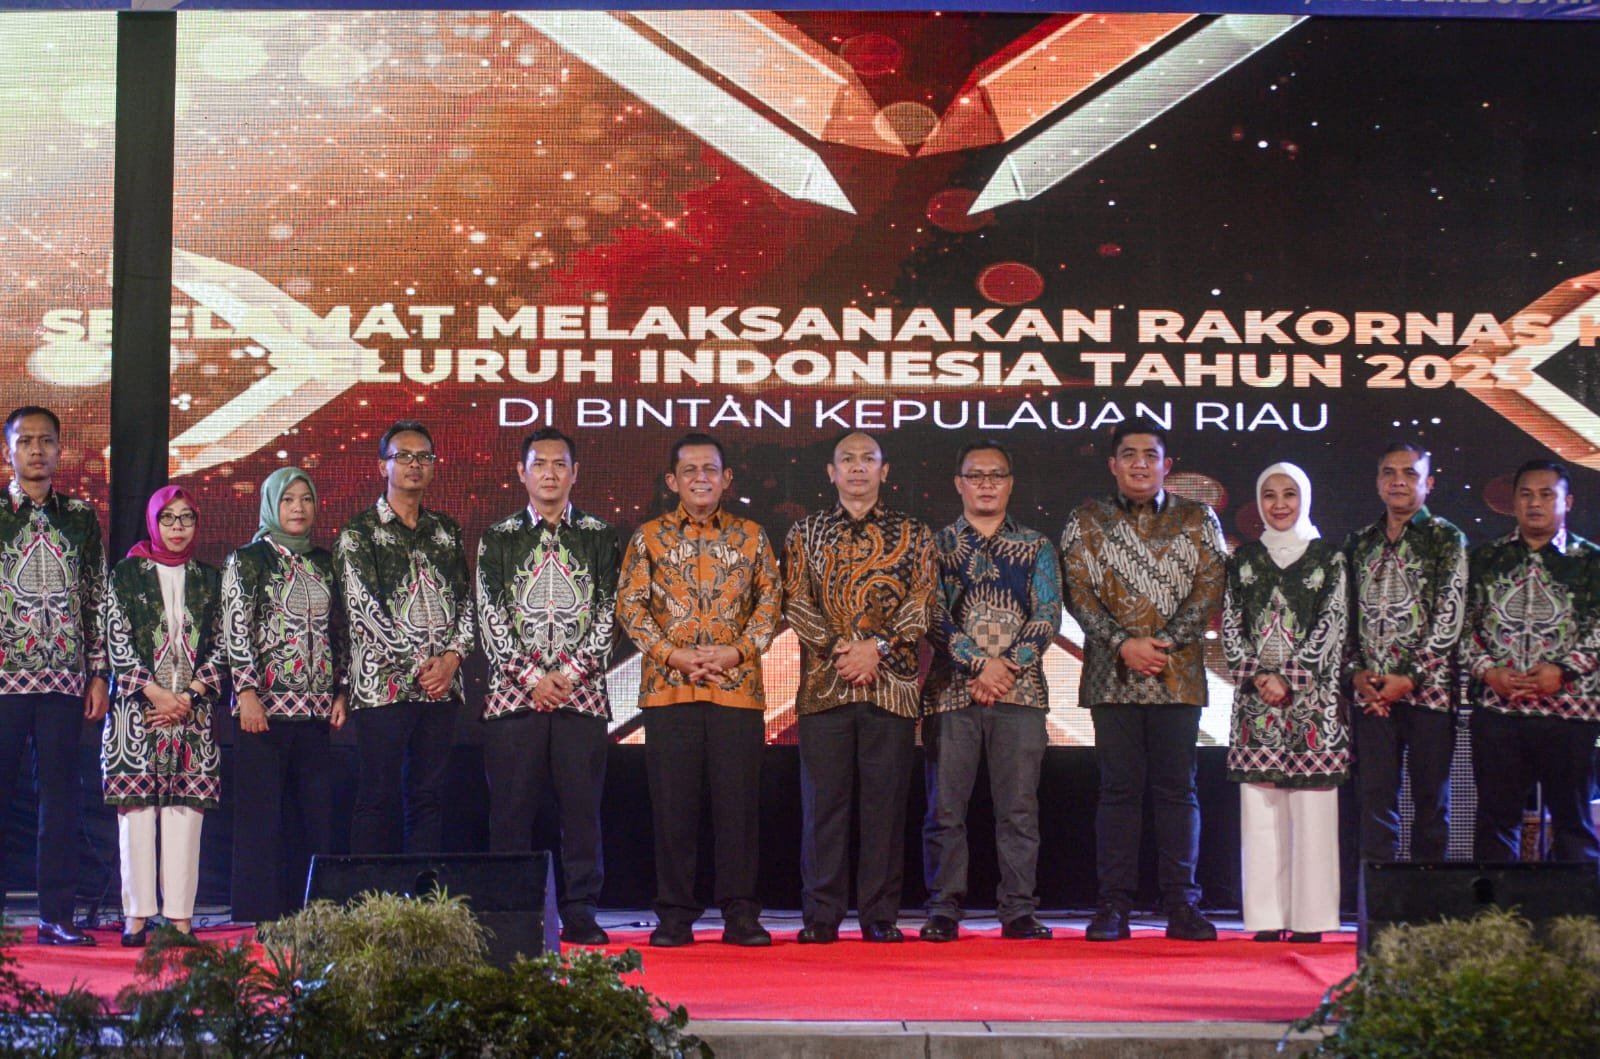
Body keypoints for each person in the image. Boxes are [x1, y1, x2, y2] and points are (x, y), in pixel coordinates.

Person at [1060, 420, 1227, 942]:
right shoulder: (1086, 519)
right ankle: (1114, 906)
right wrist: (1124, 644)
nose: (1138, 463)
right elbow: (1077, 592)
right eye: (1128, 454)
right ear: (1112, 465)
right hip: (1113, 677)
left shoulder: (1198, 518)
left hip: (1178, 678)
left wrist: (1166, 644)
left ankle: (1182, 904)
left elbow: (1210, 588)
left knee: (1178, 791)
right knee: (1118, 792)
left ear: (1165, 465)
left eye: (1149, 455)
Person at [617, 432, 782, 948]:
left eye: (710, 469)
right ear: (672, 481)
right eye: (689, 470)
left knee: (738, 809)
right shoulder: (648, 537)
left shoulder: (753, 537)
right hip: (670, 689)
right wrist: (673, 654)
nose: (701, 478)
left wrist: (735, 652)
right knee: (673, 810)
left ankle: (740, 913)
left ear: (727, 478)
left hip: (737, 690)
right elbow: (630, 607)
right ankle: (674, 915)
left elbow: (770, 605)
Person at [782, 431, 936, 944]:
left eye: (867, 459)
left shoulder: (916, 535)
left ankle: (879, 916)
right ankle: (821, 916)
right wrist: (843, 652)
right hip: (826, 688)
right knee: (823, 808)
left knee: (884, 809)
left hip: (890, 689)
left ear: (884, 471)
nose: (857, 468)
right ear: (831, 472)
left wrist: (880, 648)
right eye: (846, 460)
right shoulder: (804, 534)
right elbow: (797, 605)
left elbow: (921, 604)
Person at [476, 427, 619, 946]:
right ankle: (511, 911)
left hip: (582, 698)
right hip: (514, 699)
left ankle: (580, 909)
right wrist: (535, 678)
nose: (551, 473)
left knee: (581, 811)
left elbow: (610, 614)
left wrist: (570, 676)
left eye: (561, 464)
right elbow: (490, 618)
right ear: (522, 472)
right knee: (511, 811)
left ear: (575, 473)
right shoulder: (499, 537)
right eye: (540, 464)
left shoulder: (601, 535)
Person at [920, 439, 1061, 943]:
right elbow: (931, 617)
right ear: (959, 483)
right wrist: (980, 666)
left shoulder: (1036, 546)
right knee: (945, 811)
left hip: (1020, 695)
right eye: (975, 475)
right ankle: (943, 909)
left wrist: (1006, 668)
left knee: (1019, 810)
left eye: (995, 474)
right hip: (950, 694)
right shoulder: (934, 546)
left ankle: (1019, 910)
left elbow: (1047, 615)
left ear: (1010, 483)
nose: (985, 483)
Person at [1222, 463, 1349, 943]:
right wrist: (1259, 678)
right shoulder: (1244, 560)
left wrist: (1291, 679)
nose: (1279, 505)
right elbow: (1232, 626)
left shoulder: (1328, 557)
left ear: (1306, 499)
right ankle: (1267, 917)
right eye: (1270, 495)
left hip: (1313, 705)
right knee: (1261, 813)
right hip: (1257, 706)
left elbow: (1332, 624)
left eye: (1290, 494)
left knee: (1313, 813)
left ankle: (1312, 919)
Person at [335, 420, 473, 855]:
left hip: (442, 689)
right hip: (382, 687)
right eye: (403, 456)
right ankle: (366, 909)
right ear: (383, 466)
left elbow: (469, 603)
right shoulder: (358, 533)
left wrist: (451, 659)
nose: (415, 465)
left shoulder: (445, 530)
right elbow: (363, 611)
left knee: (429, 798)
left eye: (424, 457)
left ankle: (425, 905)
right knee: (376, 796)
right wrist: (418, 667)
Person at [0, 406, 109, 946]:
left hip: (65, 682)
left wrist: (97, 673)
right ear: (9, 452)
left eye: (46, 441)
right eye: (26, 442)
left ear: (60, 451)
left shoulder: (81, 518)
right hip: (2, 680)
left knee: (60, 802)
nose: (36, 450)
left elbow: (95, 598)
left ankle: (55, 918)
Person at [222, 467, 348, 923]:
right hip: (264, 710)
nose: (298, 508)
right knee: (261, 816)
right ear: (272, 506)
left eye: (305, 499)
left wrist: (341, 691)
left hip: (315, 711)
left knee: (313, 815)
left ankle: (310, 909)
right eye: (288, 500)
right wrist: (246, 691)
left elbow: (339, 632)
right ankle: (259, 912)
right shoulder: (249, 559)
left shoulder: (324, 561)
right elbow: (235, 628)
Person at [1462, 459, 1600, 863]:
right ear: (1514, 502)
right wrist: (1488, 670)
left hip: (1570, 713)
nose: (1535, 504)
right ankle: (1492, 921)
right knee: (1495, 821)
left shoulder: (1591, 562)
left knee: (1572, 823)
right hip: (1499, 710)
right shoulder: (1485, 559)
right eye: (1526, 494)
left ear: (1567, 502)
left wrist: (1564, 669)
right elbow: (1459, 626)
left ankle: (1576, 921)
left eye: (1546, 495)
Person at [101, 486, 223, 945]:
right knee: (136, 810)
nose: (176, 528)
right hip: (137, 712)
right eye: (168, 519)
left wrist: (187, 696)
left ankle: (179, 920)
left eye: (186, 519)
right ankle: (135, 917)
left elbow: (222, 644)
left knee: (185, 811)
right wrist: (155, 694)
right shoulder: (127, 575)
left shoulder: (210, 579)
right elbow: (115, 638)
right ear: (154, 522)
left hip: (191, 714)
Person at [1344, 442, 1467, 863]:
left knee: (1431, 800)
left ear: (1428, 484)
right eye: (1389, 472)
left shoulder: (1446, 538)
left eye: (1410, 473)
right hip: (1373, 697)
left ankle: (1425, 912)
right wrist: (1358, 674)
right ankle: (1380, 908)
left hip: (1429, 695)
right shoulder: (1359, 543)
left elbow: (1450, 617)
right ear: (1378, 482)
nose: (1398, 480)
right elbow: (1343, 619)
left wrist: (1409, 677)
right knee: (1376, 801)